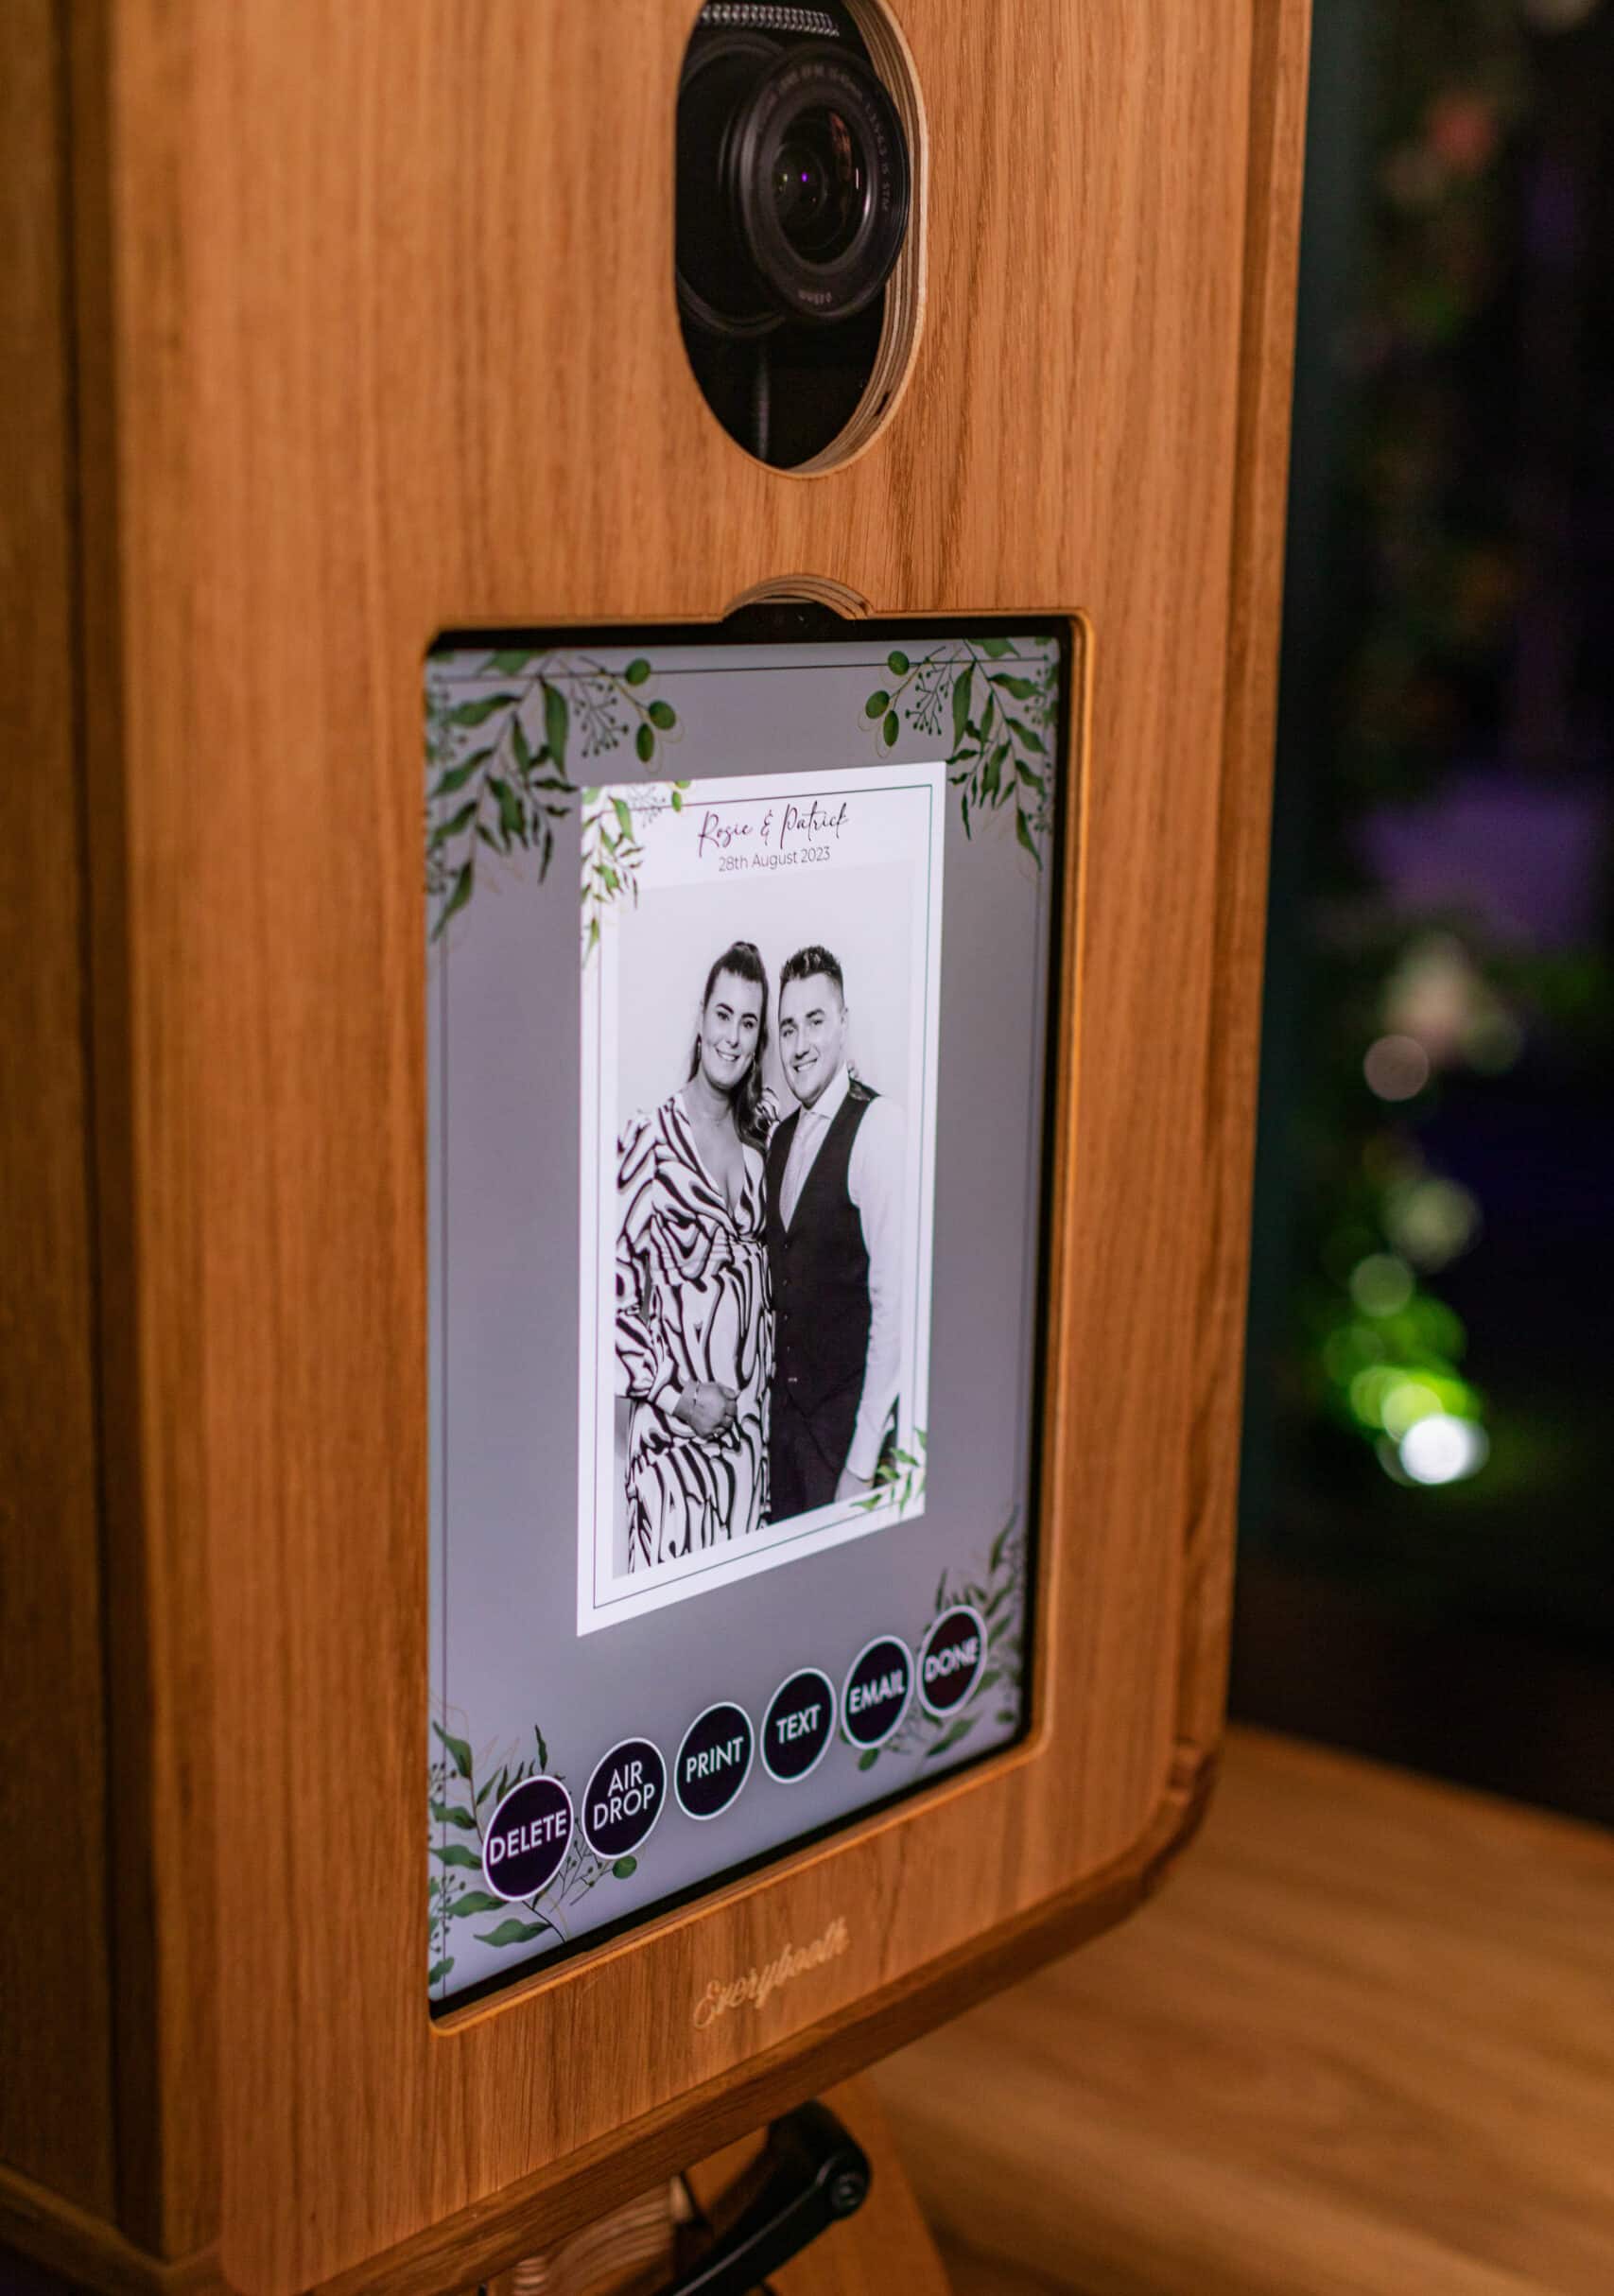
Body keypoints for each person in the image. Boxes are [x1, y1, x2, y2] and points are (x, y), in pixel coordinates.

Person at [616, 941, 774, 1569]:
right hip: (672, 1463)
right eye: (722, 1015)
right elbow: (616, 1302)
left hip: (748, 1462)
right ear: (700, 1018)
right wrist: (678, 1397)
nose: (731, 1038)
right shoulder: (648, 1140)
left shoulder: (764, 1136)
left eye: (748, 1021)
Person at [766, 945, 905, 1518]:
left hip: (846, 1454)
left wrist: (860, 1465)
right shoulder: (779, 1139)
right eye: (788, 1028)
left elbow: (895, 1309)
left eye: (815, 1022)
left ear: (843, 1024)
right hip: (786, 1451)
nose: (800, 1046)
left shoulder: (878, 1128)